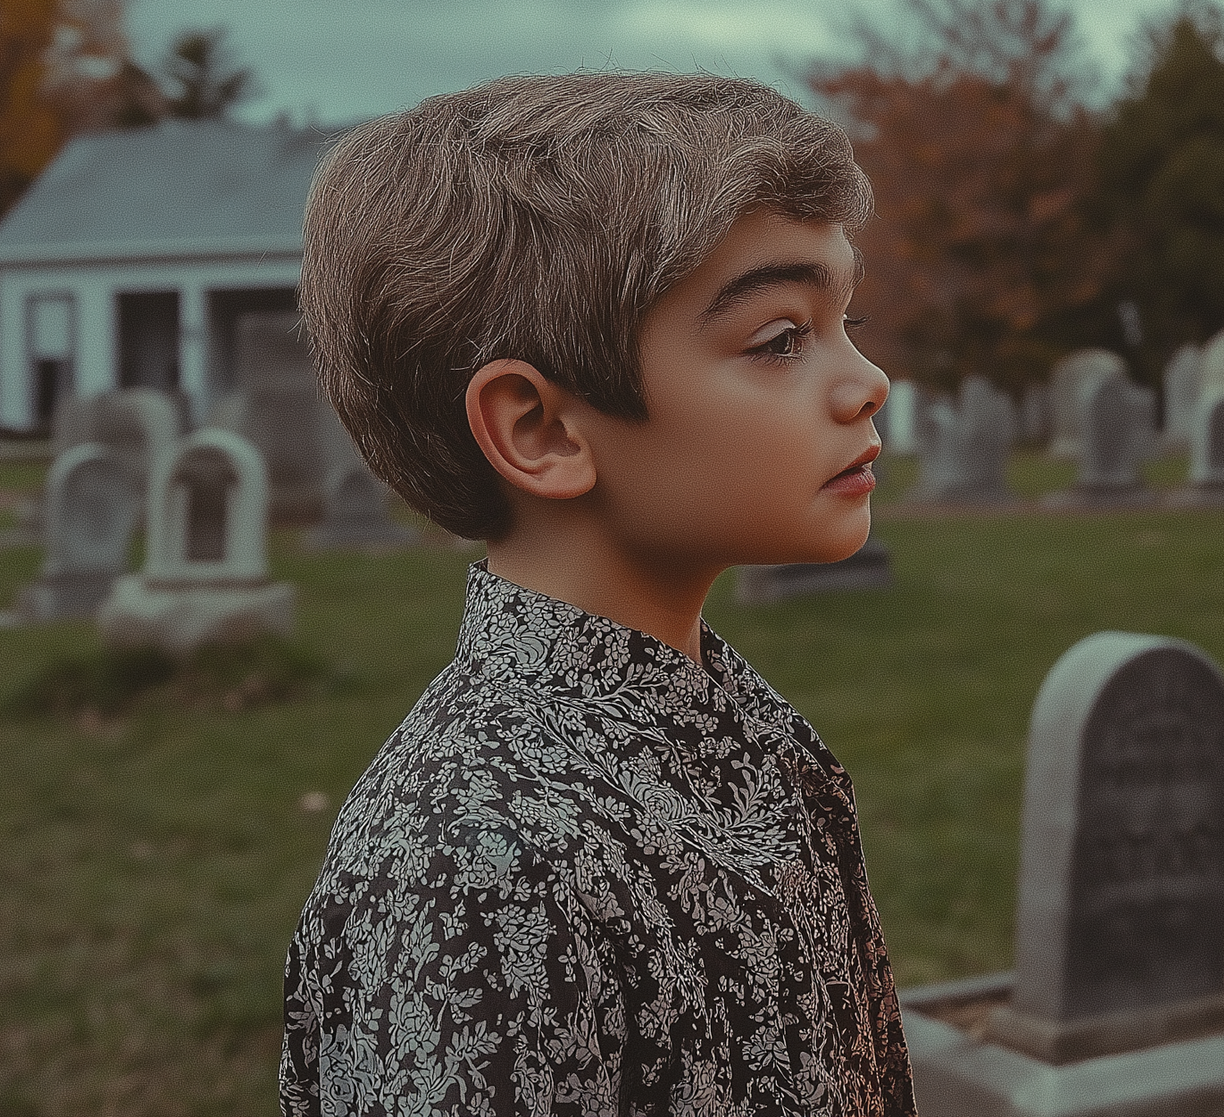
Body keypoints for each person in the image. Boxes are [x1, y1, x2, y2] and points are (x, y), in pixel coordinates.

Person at [280, 73, 914, 1115]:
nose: (865, 381)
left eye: (844, 318)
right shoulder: (476, 871)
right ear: (542, 430)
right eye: (781, 339)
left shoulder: (758, 741)